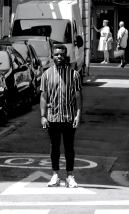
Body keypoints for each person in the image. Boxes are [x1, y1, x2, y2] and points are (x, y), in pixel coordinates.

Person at [40, 44, 82, 188]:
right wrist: (43, 116)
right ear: (53, 56)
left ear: (66, 56)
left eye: (62, 54)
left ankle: (70, 176)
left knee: (69, 148)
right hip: (52, 117)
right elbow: (44, 97)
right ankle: (55, 175)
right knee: (54, 147)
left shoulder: (74, 75)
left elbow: (78, 96)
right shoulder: (46, 75)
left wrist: (78, 115)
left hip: (69, 117)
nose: (59, 57)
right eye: (57, 54)